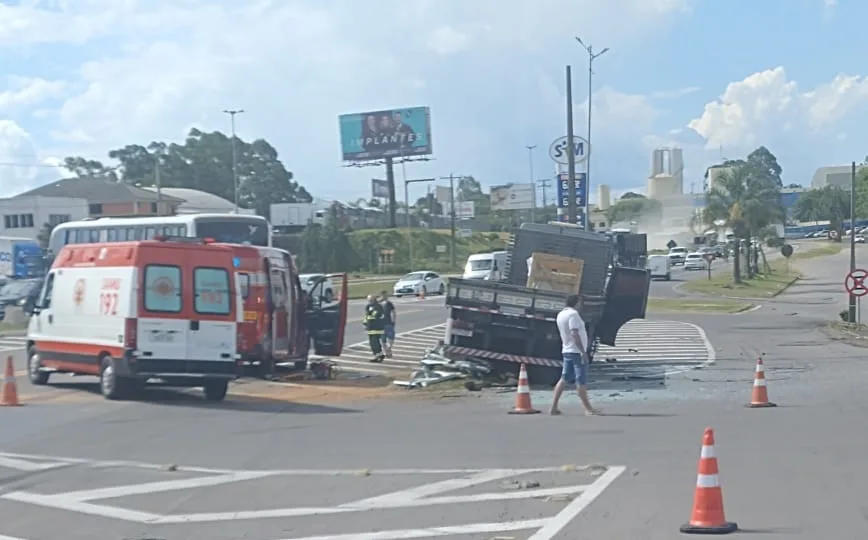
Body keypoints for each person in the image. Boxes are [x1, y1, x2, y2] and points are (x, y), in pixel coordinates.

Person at [550, 294, 600, 416]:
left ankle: (554, 406)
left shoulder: (561, 314)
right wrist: (583, 352)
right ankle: (588, 409)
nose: (581, 306)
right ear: (576, 303)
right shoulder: (573, 315)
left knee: (564, 378)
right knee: (580, 380)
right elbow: (574, 333)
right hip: (576, 351)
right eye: (580, 303)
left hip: (566, 349)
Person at [363, 294, 386, 363]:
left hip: (377, 327)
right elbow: (366, 316)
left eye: (371, 299)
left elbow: (376, 315)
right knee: (372, 344)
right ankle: (378, 355)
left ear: (374, 299)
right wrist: (364, 323)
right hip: (370, 327)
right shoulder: (368, 306)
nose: (369, 301)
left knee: (375, 343)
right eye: (368, 299)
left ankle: (379, 356)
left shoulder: (378, 306)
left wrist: (370, 314)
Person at [380, 290, 396, 358]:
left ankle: (389, 349)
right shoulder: (379, 304)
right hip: (381, 324)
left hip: (388, 323)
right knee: (383, 339)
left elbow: (393, 312)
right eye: (383, 295)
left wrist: (393, 321)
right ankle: (386, 352)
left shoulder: (389, 303)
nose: (385, 296)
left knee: (391, 338)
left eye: (386, 295)